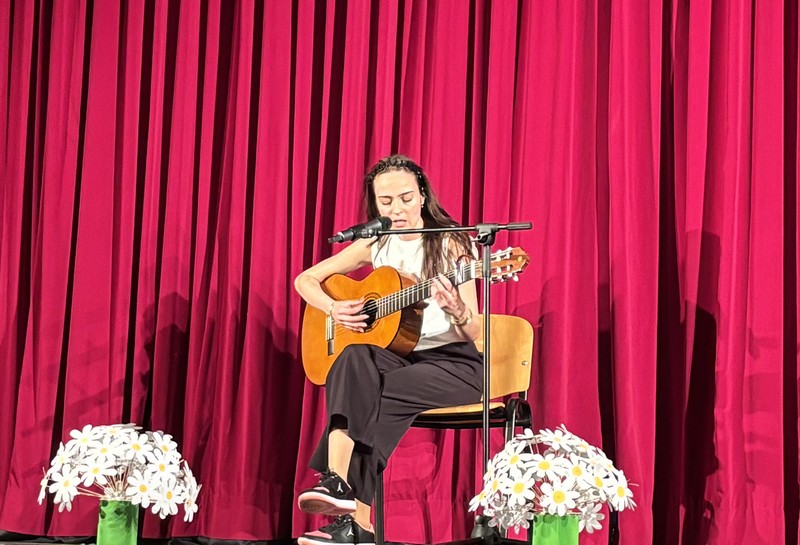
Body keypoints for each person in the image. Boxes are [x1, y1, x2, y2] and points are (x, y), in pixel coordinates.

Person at [295, 154, 483, 545]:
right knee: (352, 357)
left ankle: (352, 515)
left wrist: (458, 310)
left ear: (422, 196)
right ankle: (342, 494)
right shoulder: (374, 243)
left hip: (457, 366)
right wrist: (333, 308)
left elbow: (476, 330)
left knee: (372, 395)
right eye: (386, 201)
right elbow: (305, 280)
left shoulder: (452, 242)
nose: (397, 209)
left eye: (406, 198)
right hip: (401, 358)